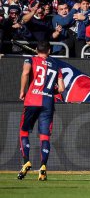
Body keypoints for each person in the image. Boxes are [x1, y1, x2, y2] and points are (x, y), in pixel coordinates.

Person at [17, 40, 65, 181]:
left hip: (32, 99)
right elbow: (61, 89)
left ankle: (26, 161)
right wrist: (50, 88)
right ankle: (43, 166)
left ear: (37, 49)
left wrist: (22, 91)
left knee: (23, 131)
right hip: (48, 102)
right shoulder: (56, 65)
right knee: (44, 136)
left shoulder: (30, 60)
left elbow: (25, 73)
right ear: (49, 51)